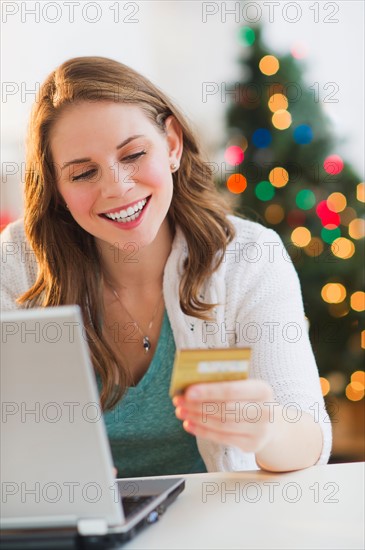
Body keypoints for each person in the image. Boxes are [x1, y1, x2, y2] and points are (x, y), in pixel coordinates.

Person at [1, 56, 332, 476]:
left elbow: (309, 442)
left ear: (172, 144)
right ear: (56, 187)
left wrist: (267, 428)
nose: (117, 188)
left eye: (134, 154)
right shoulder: (17, 263)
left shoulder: (249, 258)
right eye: (83, 173)